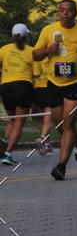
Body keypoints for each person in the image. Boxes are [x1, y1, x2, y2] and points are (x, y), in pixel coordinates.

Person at [33, 2, 77, 179]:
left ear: (75, 13)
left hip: (76, 82)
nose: (66, 14)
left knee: (68, 123)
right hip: (53, 83)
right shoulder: (48, 30)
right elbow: (35, 55)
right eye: (62, 11)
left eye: (69, 11)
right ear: (58, 13)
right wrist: (48, 50)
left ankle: (61, 166)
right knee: (61, 126)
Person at [0, 24, 34, 165]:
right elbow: (37, 74)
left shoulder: (4, 49)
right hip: (23, 86)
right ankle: (7, 154)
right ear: (26, 36)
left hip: (6, 87)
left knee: (12, 119)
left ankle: (5, 141)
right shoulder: (31, 51)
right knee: (19, 121)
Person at [32, 55, 54, 154]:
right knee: (48, 119)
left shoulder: (37, 56)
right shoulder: (55, 56)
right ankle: (42, 139)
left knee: (43, 120)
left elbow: (35, 73)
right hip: (50, 87)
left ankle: (47, 145)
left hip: (38, 89)